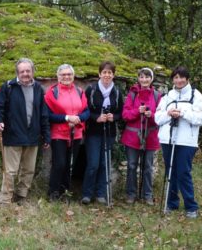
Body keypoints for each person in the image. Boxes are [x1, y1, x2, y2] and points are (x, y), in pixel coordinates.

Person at [0, 58, 50, 205]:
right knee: (10, 171)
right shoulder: (8, 87)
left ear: (32, 72)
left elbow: (43, 114)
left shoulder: (38, 88)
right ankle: (5, 199)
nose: (25, 73)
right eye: (22, 71)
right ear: (17, 72)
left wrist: (46, 136)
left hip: (33, 136)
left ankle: (21, 195)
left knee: (28, 170)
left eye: (28, 71)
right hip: (13, 134)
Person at [155, 66, 202, 218]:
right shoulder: (167, 96)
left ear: (187, 79)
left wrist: (183, 113)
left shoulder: (196, 96)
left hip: (186, 141)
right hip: (168, 139)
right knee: (170, 171)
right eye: (176, 77)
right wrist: (168, 113)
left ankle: (191, 206)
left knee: (183, 173)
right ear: (173, 79)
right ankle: (172, 203)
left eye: (181, 77)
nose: (178, 80)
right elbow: (157, 118)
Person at [44, 64, 89, 201]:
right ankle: (53, 191)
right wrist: (66, 118)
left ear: (73, 76)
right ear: (58, 77)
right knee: (60, 163)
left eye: (69, 74)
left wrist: (78, 119)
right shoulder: (52, 93)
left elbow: (86, 111)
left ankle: (65, 191)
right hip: (59, 134)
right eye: (63, 74)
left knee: (71, 164)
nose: (66, 77)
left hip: (76, 133)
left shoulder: (80, 91)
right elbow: (49, 115)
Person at [81, 61, 123, 205]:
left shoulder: (117, 92)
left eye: (109, 73)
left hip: (109, 132)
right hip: (93, 132)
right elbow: (84, 109)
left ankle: (100, 194)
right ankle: (87, 194)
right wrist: (96, 117)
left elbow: (120, 113)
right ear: (99, 74)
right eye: (104, 72)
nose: (107, 75)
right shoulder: (91, 90)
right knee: (93, 163)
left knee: (104, 163)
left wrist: (113, 117)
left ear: (113, 75)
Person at [121, 67, 161, 205]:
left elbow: (161, 117)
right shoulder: (132, 95)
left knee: (148, 166)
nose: (144, 80)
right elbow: (125, 115)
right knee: (132, 166)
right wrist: (137, 111)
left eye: (147, 77)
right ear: (138, 78)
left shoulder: (157, 96)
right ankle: (131, 194)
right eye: (142, 77)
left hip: (150, 136)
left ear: (152, 79)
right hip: (132, 137)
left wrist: (152, 115)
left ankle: (147, 194)